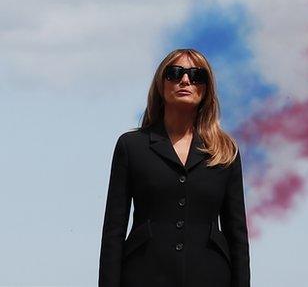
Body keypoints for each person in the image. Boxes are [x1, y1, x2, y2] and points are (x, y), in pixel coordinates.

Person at [99, 49, 249, 287]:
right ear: (161, 83)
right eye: (175, 73)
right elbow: (113, 232)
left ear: (206, 88)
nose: (185, 80)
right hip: (144, 274)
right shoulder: (131, 146)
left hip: (210, 276)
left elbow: (237, 235)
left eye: (197, 75)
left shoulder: (225, 150)